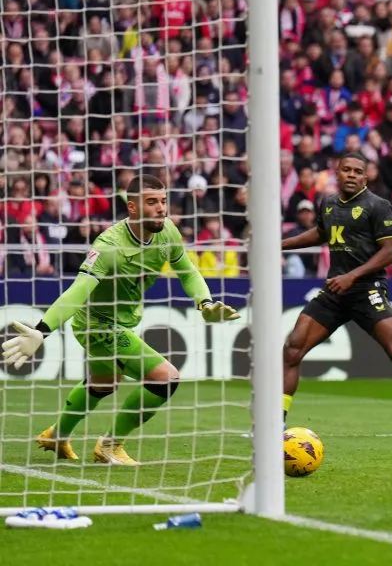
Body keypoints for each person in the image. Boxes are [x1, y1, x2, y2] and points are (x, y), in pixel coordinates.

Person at [1, 175, 240, 465]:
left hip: (121, 322)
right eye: (152, 202)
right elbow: (77, 292)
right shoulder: (109, 246)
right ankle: (110, 445)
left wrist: (205, 302)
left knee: (104, 383)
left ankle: (57, 435)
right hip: (97, 324)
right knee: (166, 378)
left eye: (163, 201)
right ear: (133, 207)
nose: (161, 208)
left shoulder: (167, 233)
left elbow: (187, 271)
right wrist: (42, 330)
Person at [279, 152, 392, 437]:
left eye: (358, 171)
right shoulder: (328, 203)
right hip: (334, 292)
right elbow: (321, 233)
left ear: (366, 177)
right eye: (347, 170)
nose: (352, 175)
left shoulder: (378, 206)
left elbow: (390, 252)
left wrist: (352, 276)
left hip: (368, 290)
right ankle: (276, 425)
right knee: (292, 349)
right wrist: (280, 244)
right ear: (337, 172)